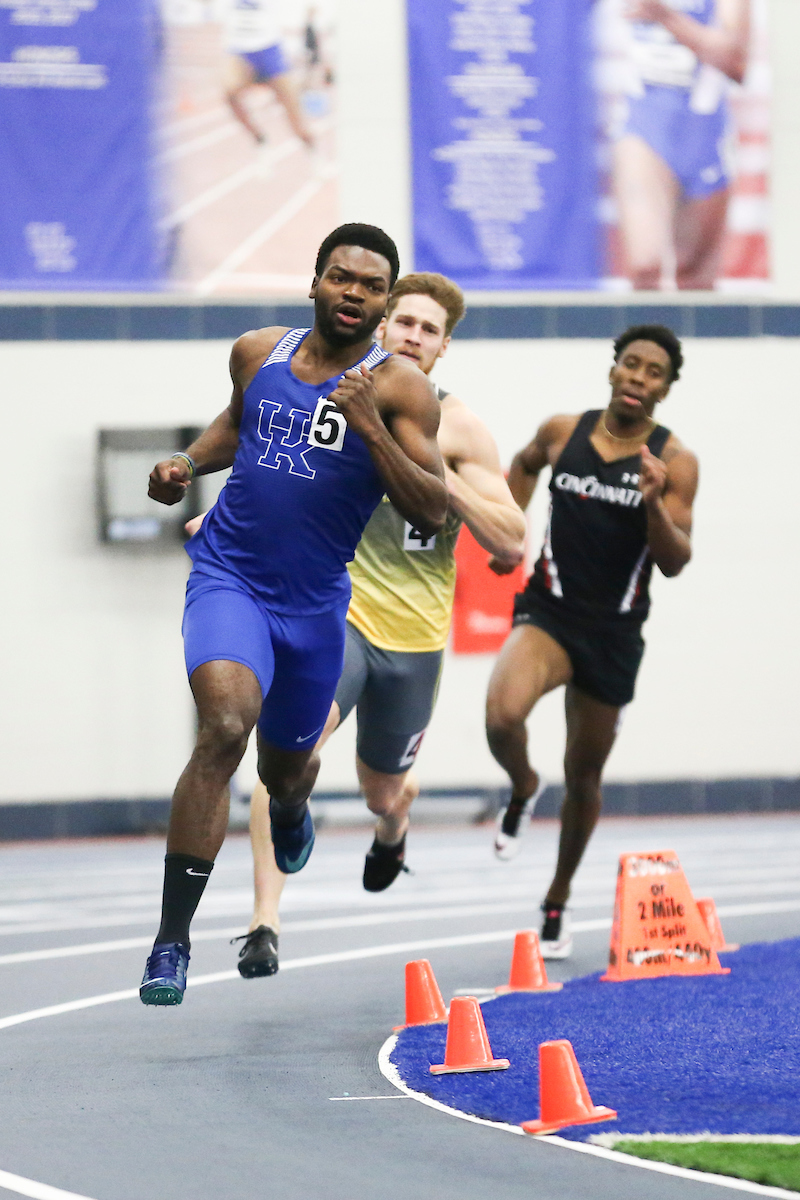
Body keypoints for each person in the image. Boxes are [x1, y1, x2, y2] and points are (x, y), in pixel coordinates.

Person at [140, 224, 449, 1006]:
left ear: (384, 304)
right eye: (341, 277)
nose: (353, 293)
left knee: (285, 770)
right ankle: (172, 941)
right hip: (229, 578)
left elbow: (433, 507)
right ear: (315, 282)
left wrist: (370, 424)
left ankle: (291, 804)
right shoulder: (257, 352)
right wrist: (187, 463)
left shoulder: (402, 389)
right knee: (223, 727)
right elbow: (236, 423)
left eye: (371, 286)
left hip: (313, 608)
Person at [229, 272, 526, 978]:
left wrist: (435, 477)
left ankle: (394, 825)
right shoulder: (330, 398)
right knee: (285, 753)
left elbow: (512, 543)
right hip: (336, 614)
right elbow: (272, 480)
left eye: (429, 330)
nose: (413, 337)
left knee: (381, 790)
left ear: (444, 347)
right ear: (382, 326)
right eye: (405, 323)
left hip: (414, 639)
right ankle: (264, 921)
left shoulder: (458, 427)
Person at [486, 325, 698, 958]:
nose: (638, 377)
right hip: (550, 613)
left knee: (583, 774)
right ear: (613, 370)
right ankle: (523, 785)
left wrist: (653, 503)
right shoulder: (563, 431)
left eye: (654, 372)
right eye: (631, 364)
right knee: (502, 716)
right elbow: (524, 464)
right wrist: (509, 534)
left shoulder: (675, 461)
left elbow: (675, 561)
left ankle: (557, 899)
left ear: (664, 389)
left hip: (614, 633)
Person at [613, 0, 750, 289]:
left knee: (694, 277)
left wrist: (664, 15)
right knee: (645, 266)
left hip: (703, 133)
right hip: (645, 127)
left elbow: (735, 62)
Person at [220, 0, 315, 172]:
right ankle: (260, 139)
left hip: (269, 51)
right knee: (229, 92)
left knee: (293, 109)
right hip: (240, 51)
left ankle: (311, 149)